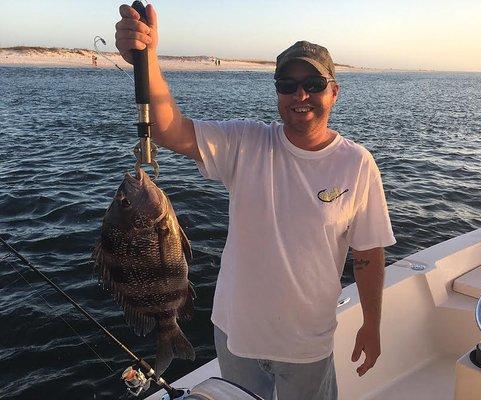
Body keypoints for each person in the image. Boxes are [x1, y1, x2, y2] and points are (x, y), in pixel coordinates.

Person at [115, 4, 396, 400]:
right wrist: (147, 60)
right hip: (237, 336)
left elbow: (367, 252)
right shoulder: (246, 142)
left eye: (314, 84)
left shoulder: (357, 163)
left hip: (307, 344)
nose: (301, 94)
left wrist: (371, 323)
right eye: (287, 83)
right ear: (277, 91)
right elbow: (168, 130)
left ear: (334, 91)